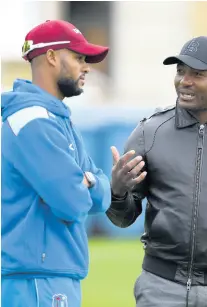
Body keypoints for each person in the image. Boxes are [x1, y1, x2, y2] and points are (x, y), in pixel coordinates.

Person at [107, 36, 207, 307]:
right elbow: (123, 219)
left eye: (197, 74)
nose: (184, 81)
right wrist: (117, 193)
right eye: (180, 71)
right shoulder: (149, 132)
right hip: (160, 288)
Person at [1, 20, 111, 307]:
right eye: (78, 57)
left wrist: (90, 182)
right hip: (36, 279)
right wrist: (86, 182)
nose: (86, 67)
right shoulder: (32, 121)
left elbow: (102, 197)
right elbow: (73, 203)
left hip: (48, 274)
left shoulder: (57, 119)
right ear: (51, 56)